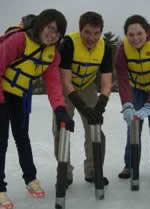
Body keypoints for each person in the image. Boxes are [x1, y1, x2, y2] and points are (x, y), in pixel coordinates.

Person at [0, 9, 74, 209]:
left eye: (57, 32)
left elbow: (53, 84)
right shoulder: (18, 41)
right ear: (41, 25)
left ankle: (30, 178)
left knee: (22, 137)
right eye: (50, 28)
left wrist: (60, 108)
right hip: (0, 92)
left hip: (19, 95)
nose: (52, 35)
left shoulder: (53, 55)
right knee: (1, 141)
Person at [53, 11, 112, 188]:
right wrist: (83, 107)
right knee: (61, 128)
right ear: (80, 30)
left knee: (95, 128)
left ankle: (94, 171)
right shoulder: (68, 44)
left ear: (101, 32)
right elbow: (65, 81)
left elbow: (107, 83)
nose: (91, 37)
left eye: (96, 33)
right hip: (67, 88)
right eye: (87, 32)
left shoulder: (105, 48)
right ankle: (65, 173)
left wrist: (99, 107)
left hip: (87, 86)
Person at [115, 15, 150, 181]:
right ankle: (129, 165)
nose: (135, 38)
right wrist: (127, 105)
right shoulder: (122, 49)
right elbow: (123, 79)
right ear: (126, 35)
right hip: (136, 88)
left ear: (146, 32)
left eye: (139, 33)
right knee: (133, 127)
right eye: (131, 35)